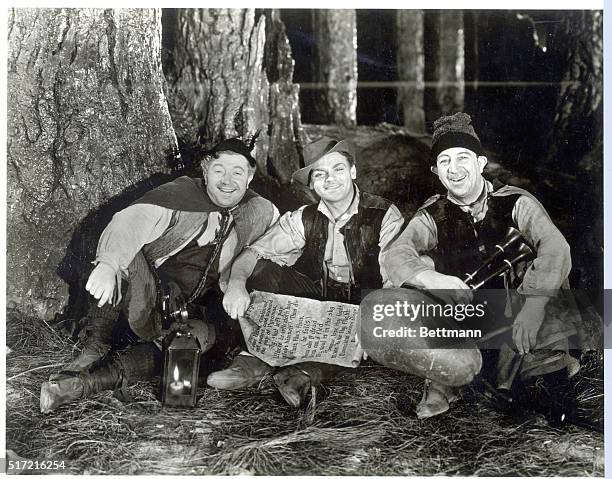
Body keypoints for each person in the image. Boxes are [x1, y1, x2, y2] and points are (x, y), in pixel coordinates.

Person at [40, 136, 279, 413]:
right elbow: (130, 221)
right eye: (219, 171)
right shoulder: (179, 195)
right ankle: (95, 344)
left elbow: (282, 241)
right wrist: (108, 263)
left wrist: (239, 284)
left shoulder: (259, 210)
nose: (227, 181)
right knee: (126, 259)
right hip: (147, 292)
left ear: (249, 178)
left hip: (194, 311)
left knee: (186, 346)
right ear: (205, 170)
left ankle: (83, 385)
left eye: (237, 172)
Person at [382, 112, 581, 425]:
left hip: (523, 313)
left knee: (543, 387)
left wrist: (534, 305)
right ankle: (451, 377)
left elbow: (557, 249)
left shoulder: (516, 202)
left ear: (481, 163)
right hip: (471, 316)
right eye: (445, 161)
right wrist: (434, 278)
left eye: (463, 157)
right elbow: (395, 254)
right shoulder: (434, 213)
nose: (455, 168)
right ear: (436, 171)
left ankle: (535, 369)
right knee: (416, 274)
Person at [206, 136, 406, 407]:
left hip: (365, 305)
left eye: (338, 169)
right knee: (260, 270)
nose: (330, 179)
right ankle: (255, 358)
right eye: (320, 174)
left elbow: (396, 277)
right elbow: (254, 252)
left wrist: (374, 319)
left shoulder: (383, 214)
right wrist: (237, 284)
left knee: (366, 333)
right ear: (312, 184)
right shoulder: (305, 216)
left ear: (353, 172)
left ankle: (302, 373)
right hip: (319, 302)